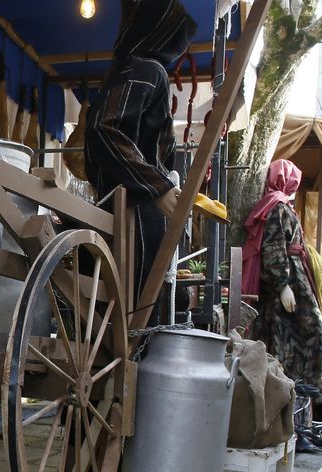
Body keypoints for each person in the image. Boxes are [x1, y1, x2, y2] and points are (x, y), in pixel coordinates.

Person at [84, 0, 197, 294]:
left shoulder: (126, 69)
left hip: (120, 212)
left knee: (147, 307)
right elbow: (104, 127)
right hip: (135, 217)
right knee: (146, 310)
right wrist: (156, 187)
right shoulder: (147, 70)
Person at [243, 159, 322, 395]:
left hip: (294, 278)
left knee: (294, 335)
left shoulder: (280, 206)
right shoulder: (277, 208)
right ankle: (294, 389)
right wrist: (283, 285)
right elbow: (273, 247)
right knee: (311, 335)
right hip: (289, 282)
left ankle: (295, 391)